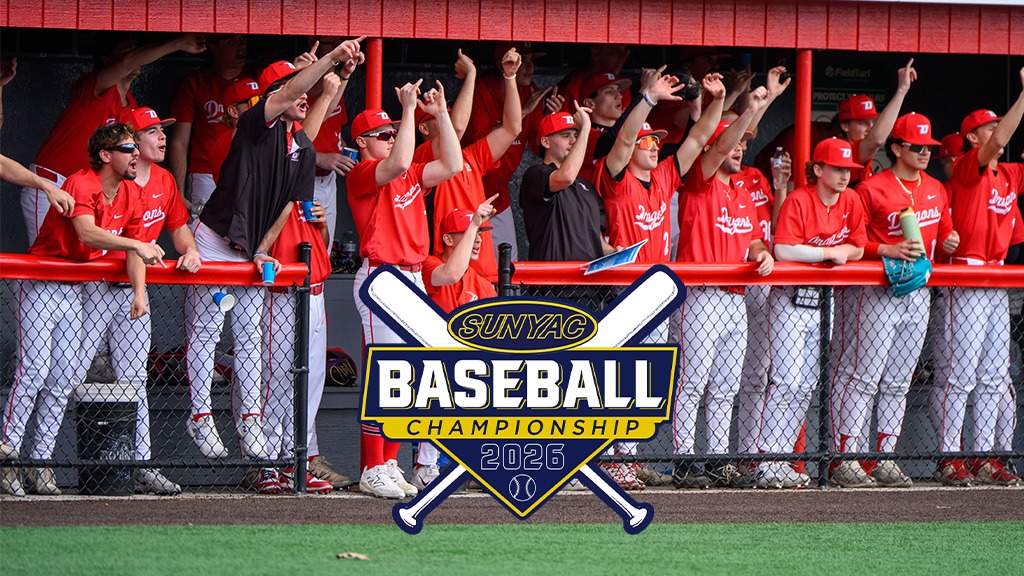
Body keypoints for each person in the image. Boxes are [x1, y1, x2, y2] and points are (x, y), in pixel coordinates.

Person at [185, 38, 365, 463]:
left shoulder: (301, 148)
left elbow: (288, 206)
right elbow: (286, 93)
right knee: (209, 332)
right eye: (293, 89)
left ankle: (250, 419)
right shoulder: (255, 125)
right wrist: (330, 62)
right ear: (272, 96)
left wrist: (263, 250)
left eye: (305, 90)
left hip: (249, 251)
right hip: (213, 240)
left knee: (250, 339)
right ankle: (200, 415)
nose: (303, 95)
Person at [1, 123, 165, 497]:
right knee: (34, 372)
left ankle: (39, 464)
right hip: (42, 281)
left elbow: (133, 248)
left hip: (74, 289)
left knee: (62, 380)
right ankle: (7, 456)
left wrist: (139, 291)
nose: (136, 154)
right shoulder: (81, 181)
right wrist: (134, 245)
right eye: (128, 148)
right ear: (106, 155)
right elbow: (88, 233)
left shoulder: (130, 193)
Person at [595, 67, 728, 489]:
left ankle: (627, 459)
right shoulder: (617, 180)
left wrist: (717, 100)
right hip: (624, 293)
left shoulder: (666, 176)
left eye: (656, 142)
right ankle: (615, 460)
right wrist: (648, 100)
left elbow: (696, 139)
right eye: (647, 141)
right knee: (621, 378)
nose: (653, 147)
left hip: (657, 295)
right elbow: (620, 142)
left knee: (646, 379)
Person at [76, 108, 201, 495]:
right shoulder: (109, 180)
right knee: (68, 374)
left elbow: (179, 230)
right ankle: (40, 458)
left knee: (134, 381)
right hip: (92, 286)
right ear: (128, 142)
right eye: (151, 132)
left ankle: (140, 462)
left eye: (162, 131)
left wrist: (192, 252)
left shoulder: (163, 179)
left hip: (133, 292)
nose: (162, 138)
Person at [829, 114, 958, 489]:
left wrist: (951, 241)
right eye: (917, 147)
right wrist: (885, 248)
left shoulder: (936, 187)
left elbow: (946, 231)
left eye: (929, 148)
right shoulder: (871, 187)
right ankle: (847, 457)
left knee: (899, 380)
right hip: (876, 290)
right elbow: (852, 240)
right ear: (898, 148)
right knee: (863, 375)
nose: (924, 153)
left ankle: (884, 456)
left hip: (917, 292)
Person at [348, 78, 463, 499]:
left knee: (405, 378)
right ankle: (372, 467)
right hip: (382, 276)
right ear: (362, 142)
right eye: (383, 134)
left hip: (412, 276)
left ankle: (389, 461)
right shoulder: (364, 173)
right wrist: (411, 110)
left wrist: (442, 114)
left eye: (394, 132)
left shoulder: (414, 172)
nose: (392, 137)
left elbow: (452, 165)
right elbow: (394, 164)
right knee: (385, 375)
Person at [671, 86, 774, 489]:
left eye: (743, 147)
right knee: (693, 382)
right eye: (733, 144)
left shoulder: (741, 191)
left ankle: (715, 459)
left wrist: (761, 251)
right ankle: (682, 461)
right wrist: (751, 110)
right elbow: (717, 149)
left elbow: (749, 239)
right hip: (700, 292)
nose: (739, 150)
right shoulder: (702, 178)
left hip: (735, 298)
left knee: (726, 387)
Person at [755, 137, 867, 489]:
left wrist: (840, 251)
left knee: (805, 386)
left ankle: (781, 458)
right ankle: (766, 460)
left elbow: (859, 248)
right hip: (789, 301)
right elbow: (783, 248)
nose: (844, 175)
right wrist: (826, 255)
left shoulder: (851, 200)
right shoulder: (799, 199)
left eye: (847, 169)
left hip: (822, 301)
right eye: (836, 168)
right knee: (786, 381)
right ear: (818, 169)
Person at [22, 34, 204, 244]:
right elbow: (128, 62)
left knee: (83, 261)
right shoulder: (93, 88)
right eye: (128, 50)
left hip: (88, 192)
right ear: (108, 61)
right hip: (54, 183)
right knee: (46, 261)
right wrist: (178, 43)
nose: (136, 57)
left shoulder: (132, 108)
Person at [933, 75, 1024, 487]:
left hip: (995, 278)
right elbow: (999, 141)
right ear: (972, 139)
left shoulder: (1008, 175)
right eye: (988, 127)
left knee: (993, 375)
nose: (996, 131)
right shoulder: (968, 169)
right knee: (960, 374)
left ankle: (985, 455)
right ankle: (949, 456)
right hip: (966, 276)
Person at [415, 47, 523, 282]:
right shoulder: (422, 157)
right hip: (448, 271)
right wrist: (472, 75)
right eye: (439, 115)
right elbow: (455, 129)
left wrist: (510, 77)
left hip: (481, 269)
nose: (447, 116)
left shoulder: (471, 155)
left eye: (448, 111)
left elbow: (512, 129)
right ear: (424, 128)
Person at [259, 197, 337, 495]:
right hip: (281, 294)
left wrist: (324, 226)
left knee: (310, 386)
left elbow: (321, 248)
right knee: (276, 382)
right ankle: (265, 463)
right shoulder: (270, 192)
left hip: (316, 293)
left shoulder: (306, 198)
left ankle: (294, 464)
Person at [463, 41, 552, 261]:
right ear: (504, 64)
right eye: (523, 61)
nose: (530, 68)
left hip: (499, 197)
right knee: (471, 261)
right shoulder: (482, 90)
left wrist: (553, 120)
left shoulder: (529, 92)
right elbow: (480, 142)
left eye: (532, 61)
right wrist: (522, 112)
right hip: (469, 192)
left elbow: (538, 144)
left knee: (509, 263)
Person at [168, 34, 251, 215]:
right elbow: (179, 142)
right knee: (204, 234)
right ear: (214, 48)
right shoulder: (194, 83)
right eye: (231, 40)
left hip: (249, 171)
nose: (241, 45)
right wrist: (179, 192)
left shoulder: (258, 80)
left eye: (242, 39)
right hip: (205, 174)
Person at [521, 108, 614, 262]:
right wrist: (585, 129)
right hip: (554, 282)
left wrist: (615, 253)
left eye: (576, 136)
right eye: (566, 136)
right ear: (546, 141)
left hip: (590, 282)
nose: (573, 141)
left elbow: (598, 242)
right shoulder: (535, 174)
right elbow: (565, 177)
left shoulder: (587, 187)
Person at [832, 58, 918, 186]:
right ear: (845, 126)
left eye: (873, 122)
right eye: (862, 123)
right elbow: (876, 140)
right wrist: (901, 90)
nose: (870, 127)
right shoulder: (844, 152)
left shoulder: (864, 157)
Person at [208, 78, 262, 183]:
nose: (262, 107)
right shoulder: (224, 144)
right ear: (233, 111)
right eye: (254, 102)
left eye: (262, 100)